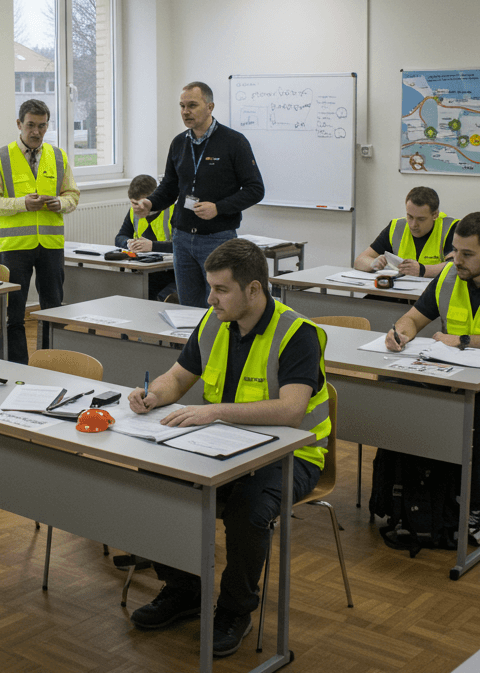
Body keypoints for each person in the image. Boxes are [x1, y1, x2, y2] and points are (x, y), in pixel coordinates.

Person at [125, 238, 329, 659]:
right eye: (210, 287)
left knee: (249, 510)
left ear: (254, 289)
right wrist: (153, 395)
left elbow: (291, 411)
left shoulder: (297, 333)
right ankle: (183, 590)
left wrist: (215, 412)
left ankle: (235, 610)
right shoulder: (213, 322)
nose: (210, 298)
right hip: (224, 445)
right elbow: (178, 378)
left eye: (221, 289)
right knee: (158, 478)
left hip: (291, 456)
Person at [384, 212, 480, 542]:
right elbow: (412, 319)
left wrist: (464, 340)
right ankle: (406, 496)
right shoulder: (447, 279)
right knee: (397, 393)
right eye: (455, 251)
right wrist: (399, 334)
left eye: (467, 254)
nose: (457, 260)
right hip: (452, 377)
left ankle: (474, 506)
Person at [132, 82, 265, 308]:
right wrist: (150, 202)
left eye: (192, 105)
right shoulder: (178, 143)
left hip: (217, 238)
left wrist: (218, 208)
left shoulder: (234, 142)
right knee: (188, 307)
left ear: (210, 106)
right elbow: (170, 187)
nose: (186, 112)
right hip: (182, 238)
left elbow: (255, 189)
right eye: (182, 106)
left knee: (218, 306)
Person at [0, 98, 81, 364]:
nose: (36, 132)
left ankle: (50, 363)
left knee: (53, 309)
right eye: (30, 125)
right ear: (19, 124)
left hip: (50, 244)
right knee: (14, 313)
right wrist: (22, 203)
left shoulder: (58, 156)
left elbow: (72, 195)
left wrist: (60, 202)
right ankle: (19, 368)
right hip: (15, 248)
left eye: (42, 126)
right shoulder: (1, 157)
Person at [354, 186, 458, 279]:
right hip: (401, 294)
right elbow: (360, 261)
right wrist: (373, 263)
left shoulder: (451, 228)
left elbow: (457, 267)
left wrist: (422, 270)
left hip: (434, 296)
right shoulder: (397, 227)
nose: (413, 224)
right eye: (410, 216)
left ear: (435, 215)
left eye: (421, 219)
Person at [116, 173, 176, 302]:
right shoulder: (132, 212)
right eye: (133, 203)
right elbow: (120, 236)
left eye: (141, 204)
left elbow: (181, 246)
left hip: (168, 272)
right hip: (142, 269)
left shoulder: (173, 211)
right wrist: (128, 243)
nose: (137, 208)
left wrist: (152, 246)